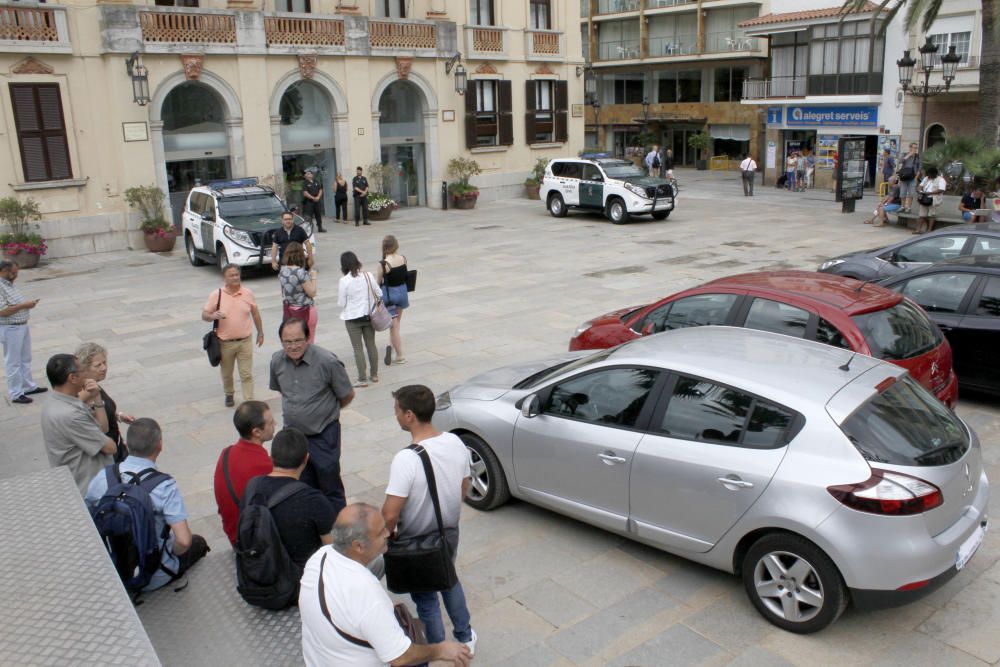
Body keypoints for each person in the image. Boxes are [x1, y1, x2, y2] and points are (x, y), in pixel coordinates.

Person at [299, 503, 472, 667]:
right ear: (358, 546)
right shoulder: (367, 594)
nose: (388, 534)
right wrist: (440, 650)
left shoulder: (320, 557)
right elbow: (400, 656)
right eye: (380, 532)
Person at [382, 385, 477, 656]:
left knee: (425, 598)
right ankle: (465, 636)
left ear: (409, 415)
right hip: (448, 532)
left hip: (416, 538)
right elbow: (464, 487)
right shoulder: (455, 442)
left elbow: (390, 513)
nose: (396, 415)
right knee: (448, 579)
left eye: (397, 410)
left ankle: (439, 649)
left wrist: (388, 534)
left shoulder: (406, 459)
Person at [85, 418, 209, 592]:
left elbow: (88, 516)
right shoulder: (164, 486)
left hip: (112, 571)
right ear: (160, 445)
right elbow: (184, 541)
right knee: (198, 543)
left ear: (127, 445)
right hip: (154, 576)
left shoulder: (104, 476)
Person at [270, 317, 355, 514]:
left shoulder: (327, 361)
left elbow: (347, 394)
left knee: (329, 482)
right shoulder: (276, 360)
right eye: (287, 342)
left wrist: (324, 413)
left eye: (298, 340)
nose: (293, 346)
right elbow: (281, 390)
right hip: (293, 436)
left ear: (308, 338)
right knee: (299, 485)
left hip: (324, 435)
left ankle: (338, 528)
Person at [242, 427, 335, 568]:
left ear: (271, 457)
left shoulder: (252, 486)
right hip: (300, 581)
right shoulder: (314, 501)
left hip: (258, 573)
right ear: (306, 459)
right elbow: (334, 552)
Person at [41, 353, 117, 493]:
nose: (86, 375)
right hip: (88, 487)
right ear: (72, 378)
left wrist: (97, 397)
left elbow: (103, 428)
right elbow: (110, 447)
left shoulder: (56, 402)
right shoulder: (70, 415)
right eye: (82, 371)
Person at [201, 264, 265, 407]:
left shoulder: (247, 293)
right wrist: (212, 315)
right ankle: (229, 393)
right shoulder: (216, 295)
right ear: (225, 278)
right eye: (232, 275)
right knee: (227, 373)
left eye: (237, 274)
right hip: (225, 343)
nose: (235, 277)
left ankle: (249, 400)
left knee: (246, 373)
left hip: (245, 341)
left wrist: (260, 332)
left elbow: (255, 313)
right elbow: (204, 315)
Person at [214, 400, 275, 546]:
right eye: (271, 423)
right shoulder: (265, 465)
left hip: (234, 533)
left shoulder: (226, 453)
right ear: (256, 432)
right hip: (251, 541)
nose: (275, 424)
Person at [75, 343, 134, 462]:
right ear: (85, 369)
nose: (104, 368)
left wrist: (118, 416)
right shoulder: (87, 392)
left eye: (104, 362)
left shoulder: (94, 386)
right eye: (98, 365)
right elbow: (98, 425)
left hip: (117, 447)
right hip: (108, 455)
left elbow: (102, 409)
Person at [0, 260, 45, 404]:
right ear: (4, 271)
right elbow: (3, 311)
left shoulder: (8, 284)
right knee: (13, 362)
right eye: (13, 273)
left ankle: (28, 386)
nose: (15, 275)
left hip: (21, 326)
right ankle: (16, 393)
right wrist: (25, 305)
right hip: (11, 328)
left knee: (25, 358)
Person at [338, 251, 380, 387]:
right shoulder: (368, 276)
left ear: (343, 266)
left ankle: (362, 379)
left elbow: (341, 303)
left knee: (358, 349)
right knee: (371, 345)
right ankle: (374, 375)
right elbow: (379, 293)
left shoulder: (344, 281)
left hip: (352, 319)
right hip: (368, 316)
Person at [377, 235, 409, 368]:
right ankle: (391, 346)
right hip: (403, 293)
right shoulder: (403, 258)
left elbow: (378, 283)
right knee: (396, 324)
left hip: (390, 296)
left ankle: (400, 355)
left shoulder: (384, 264)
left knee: (394, 326)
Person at [280, 241, 318, 343]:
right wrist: (313, 278)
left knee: (295, 341)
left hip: (290, 310)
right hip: (305, 310)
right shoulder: (301, 272)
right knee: (308, 341)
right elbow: (312, 293)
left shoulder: (282, 271)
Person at [915, 166, 947, 235]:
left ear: (934, 174)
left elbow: (941, 190)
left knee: (932, 215)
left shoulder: (940, 179)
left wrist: (929, 193)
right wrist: (919, 190)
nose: (929, 176)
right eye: (928, 174)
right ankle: (918, 230)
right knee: (921, 215)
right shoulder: (926, 178)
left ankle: (929, 230)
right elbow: (920, 185)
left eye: (930, 174)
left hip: (934, 199)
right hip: (924, 198)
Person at [898, 143, 921, 212]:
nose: (915, 149)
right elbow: (900, 161)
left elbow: (920, 167)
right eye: (914, 147)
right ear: (910, 148)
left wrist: (916, 177)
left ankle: (909, 207)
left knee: (911, 193)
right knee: (902, 192)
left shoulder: (918, 157)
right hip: (904, 176)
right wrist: (909, 155)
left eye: (916, 148)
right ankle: (902, 206)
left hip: (913, 177)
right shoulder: (904, 154)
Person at [301, 169, 326, 233]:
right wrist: (313, 198)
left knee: (318, 214)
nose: (308, 174)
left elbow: (320, 190)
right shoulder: (305, 183)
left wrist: (318, 197)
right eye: (307, 174)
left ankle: (320, 227)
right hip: (309, 202)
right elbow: (305, 193)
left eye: (309, 173)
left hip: (317, 201)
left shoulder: (316, 181)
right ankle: (309, 229)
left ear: (312, 175)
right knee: (309, 216)